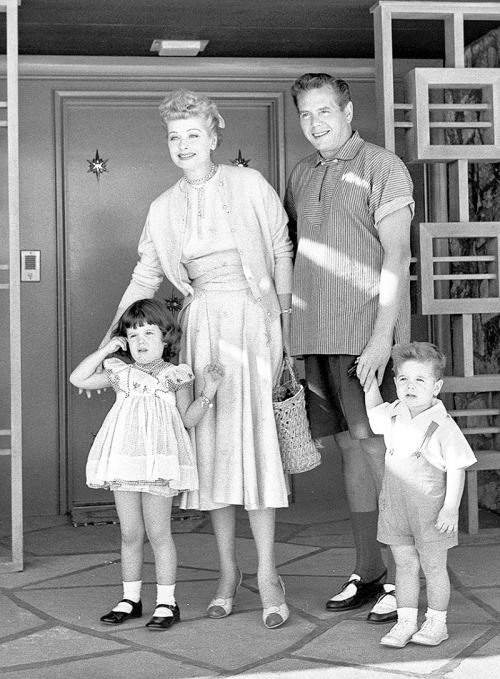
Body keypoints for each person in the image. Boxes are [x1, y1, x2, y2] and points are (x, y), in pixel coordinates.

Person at [98, 90, 294, 629]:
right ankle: (228, 574)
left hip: (255, 324)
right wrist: (112, 338)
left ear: (213, 136)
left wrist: (282, 325)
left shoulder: (249, 184)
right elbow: (145, 275)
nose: (183, 145)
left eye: (193, 134)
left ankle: (270, 573)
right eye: (174, 136)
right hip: (202, 324)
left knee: (252, 445)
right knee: (211, 448)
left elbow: (280, 249)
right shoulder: (162, 208)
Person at [285, 73, 414, 623]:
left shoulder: (382, 166)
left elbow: (397, 256)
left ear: (348, 109)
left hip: (365, 338)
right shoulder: (301, 172)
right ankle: (369, 572)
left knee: (378, 451)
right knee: (348, 449)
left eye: (324, 111)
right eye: (306, 114)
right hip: (316, 336)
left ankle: (401, 577)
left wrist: (383, 336)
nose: (316, 123)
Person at [70, 299, 224, 629]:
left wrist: (208, 392)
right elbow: (78, 378)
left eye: (149, 333)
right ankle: (131, 598)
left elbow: (188, 419)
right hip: (126, 462)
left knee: (158, 533)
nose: (141, 341)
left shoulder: (175, 375)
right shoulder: (119, 372)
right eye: (133, 334)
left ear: (165, 338)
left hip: (158, 464)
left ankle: (167, 603)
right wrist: (108, 348)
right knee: (130, 534)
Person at [364, 341, 476, 647]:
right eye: (403, 379)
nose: (410, 387)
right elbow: (374, 415)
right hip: (396, 507)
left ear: (436, 387)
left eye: (420, 380)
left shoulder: (443, 425)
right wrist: (370, 385)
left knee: (434, 567)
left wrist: (451, 508)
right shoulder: (396, 412)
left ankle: (437, 623)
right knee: (404, 564)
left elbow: (457, 467)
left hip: (430, 511)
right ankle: (405, 622)